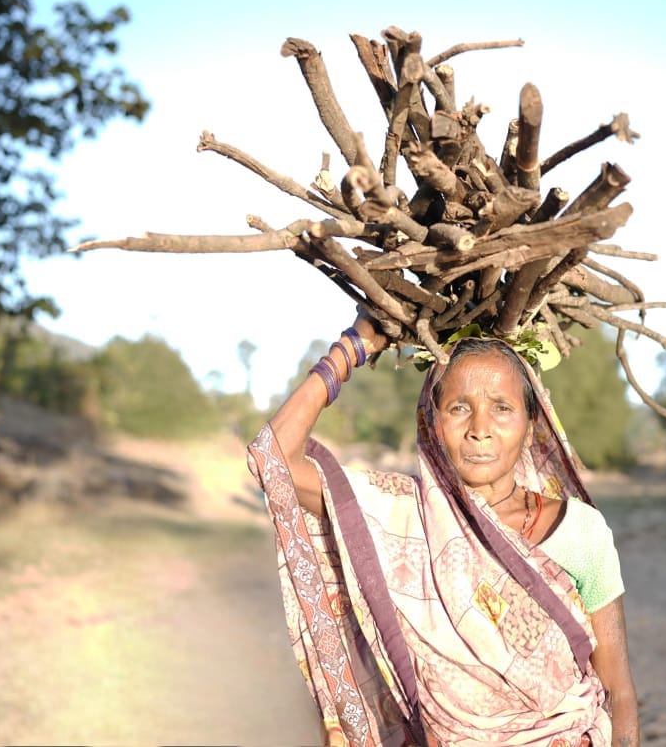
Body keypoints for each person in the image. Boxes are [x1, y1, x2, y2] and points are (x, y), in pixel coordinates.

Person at [248, 313, 639, 747]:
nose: (480, 429)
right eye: (459, 408)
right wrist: (352, 348)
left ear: (532, 428)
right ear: (433, 425)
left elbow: (618, 691)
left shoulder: (580, 531)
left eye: (502, 408)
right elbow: (274, 459)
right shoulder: (401, 514)